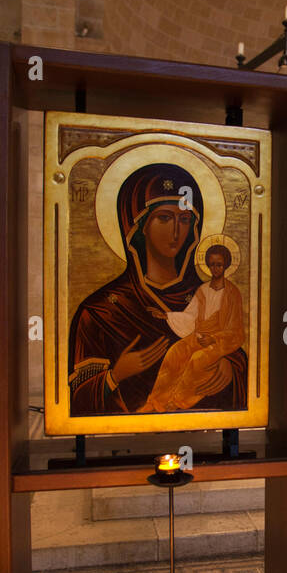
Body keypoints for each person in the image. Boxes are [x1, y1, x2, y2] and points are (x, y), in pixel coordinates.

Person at [68, 162, 203, 416]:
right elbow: (77, 397)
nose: (176, 231)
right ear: (137, 225)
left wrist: (229, 367)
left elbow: (235, 354)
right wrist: (115, 375)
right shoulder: (100, 311)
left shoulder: (207, 296)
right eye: (164, 218)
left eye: (184, 219)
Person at [140, 244, 247, 412]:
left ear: (226, 265)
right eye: (212, 264)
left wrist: (213, 338)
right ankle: (155, 402)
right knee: (175, 352)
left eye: (219, 264)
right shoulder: (203, 290)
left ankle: (177, 402)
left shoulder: (232, 293)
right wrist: (167, 315)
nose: (215, 268)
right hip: (198, 336)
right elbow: (191, 316)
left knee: (197, 359)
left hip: (218, 341)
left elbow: (236, 330)